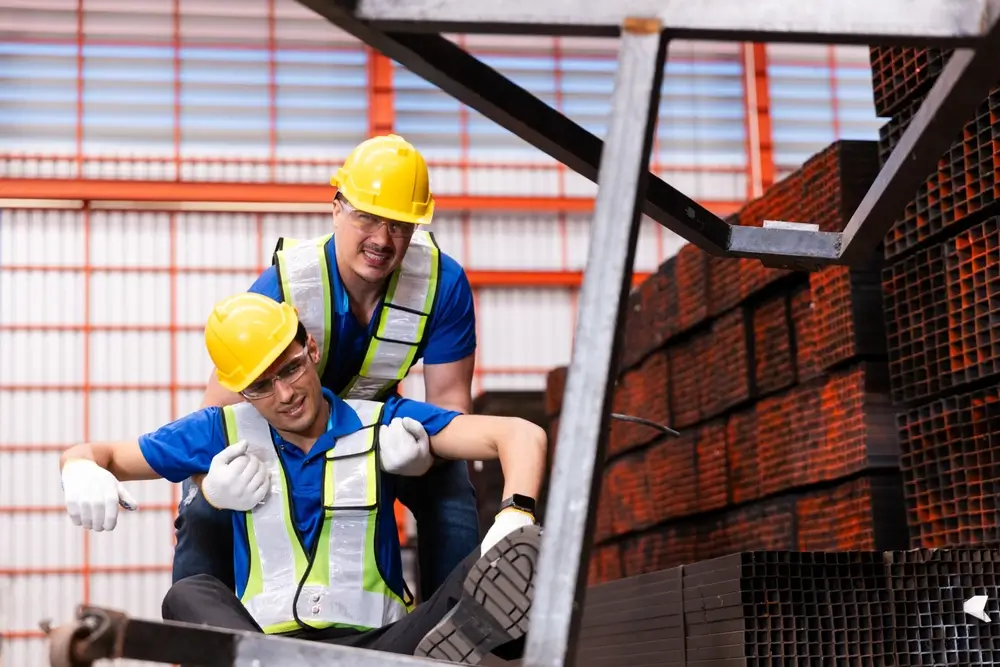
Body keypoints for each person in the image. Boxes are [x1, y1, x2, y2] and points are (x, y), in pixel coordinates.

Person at [58, 292, 544, 664]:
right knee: (187, 594)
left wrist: (514, 514)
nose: (285, 393)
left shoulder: (383, 422)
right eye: (261, 386)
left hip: (379, 647)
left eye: (291, 368)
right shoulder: (218, 431)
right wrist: (78, 467)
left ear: (310, 348)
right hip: (266, 647)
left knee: (491, 569)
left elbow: (519, 434)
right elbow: (97, 453)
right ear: (241, 390)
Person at [175, 133, 481, 600]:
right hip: (281, 434)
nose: (382, 239)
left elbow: (452, 403)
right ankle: (199, 642)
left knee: (452, 490)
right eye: (367, 217)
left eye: (399, 224)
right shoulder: (285, 285)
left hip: (371, 429)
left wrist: (426, 454)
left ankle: (450, 633)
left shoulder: (443, 284)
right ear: (337, 208)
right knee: (203, 509)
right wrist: (208, 484)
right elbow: (215, 409)